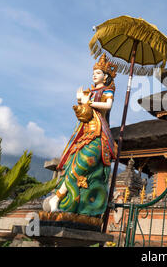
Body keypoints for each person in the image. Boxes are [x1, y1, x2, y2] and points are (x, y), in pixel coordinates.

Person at [47, 54, 117, 216]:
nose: (94, 75)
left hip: (99, 133)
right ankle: (59, 198)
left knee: (85, 161)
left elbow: (107, 105)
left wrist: (88, 102)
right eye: (94, 72)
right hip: (85, 132)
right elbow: (84, 113)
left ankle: (64, 198)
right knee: (73, 163)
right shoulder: (90, 91)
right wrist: (80, 102)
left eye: (98, 73)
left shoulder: (107, 90)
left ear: (105, 76)